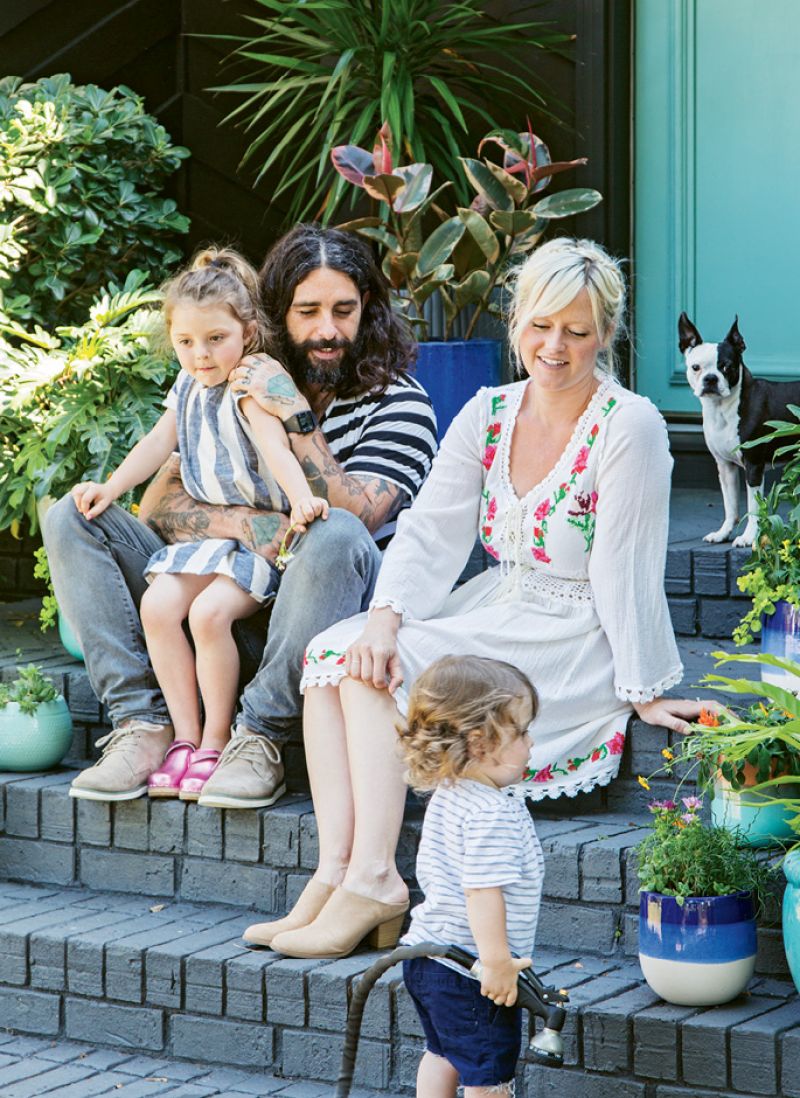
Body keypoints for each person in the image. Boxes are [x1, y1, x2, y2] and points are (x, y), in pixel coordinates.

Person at [245, 236, 703, 957]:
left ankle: (376, 878)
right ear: (515, 322)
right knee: (340, 649)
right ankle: (335, 873)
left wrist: (644, 687)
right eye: (539, 326)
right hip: (497, 605)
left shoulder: (631, 426)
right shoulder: (490, 411)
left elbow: (626, 566)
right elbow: (429, 534)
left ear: (606, 335)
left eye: (577, 332)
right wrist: (387, 619)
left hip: (569, 634)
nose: (554, 346)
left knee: (355, 664)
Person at [43, 224, 437, 805]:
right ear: (273, 314)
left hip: (313, 622)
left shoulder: (401, 403)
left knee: (334, 532)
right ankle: (142, 725)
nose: (327, 330)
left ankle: (260, 737)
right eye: (308, 311)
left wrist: (296, 417)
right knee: (71, 515)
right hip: (214, 602)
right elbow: (158, 510)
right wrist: (254, 527)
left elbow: (358, 521)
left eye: (344, 310)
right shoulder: (221, 376)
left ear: (369, 310)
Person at [69, 248, 329, 801]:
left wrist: (303, 498)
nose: (200, 354)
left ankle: (216, 741)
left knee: (210, 615)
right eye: (186, 342)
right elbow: (158, 443)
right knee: (159, 607)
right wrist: (110, 488)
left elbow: (276, 449)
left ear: (247, 333)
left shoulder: (249, 387)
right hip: (205, 543)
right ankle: (182, 739)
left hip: (254, 547)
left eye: (215, 339)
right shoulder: (186, 387)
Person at [397, 656, 544, 1098]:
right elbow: (482, 891)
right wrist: (496, 963)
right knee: (488, 1072)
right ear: (480, 744)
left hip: (427, 959)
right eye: (520, 732)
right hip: (470, 971)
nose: (531, 743)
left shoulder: (452, 792)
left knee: (443, 1053)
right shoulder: (489, 812)